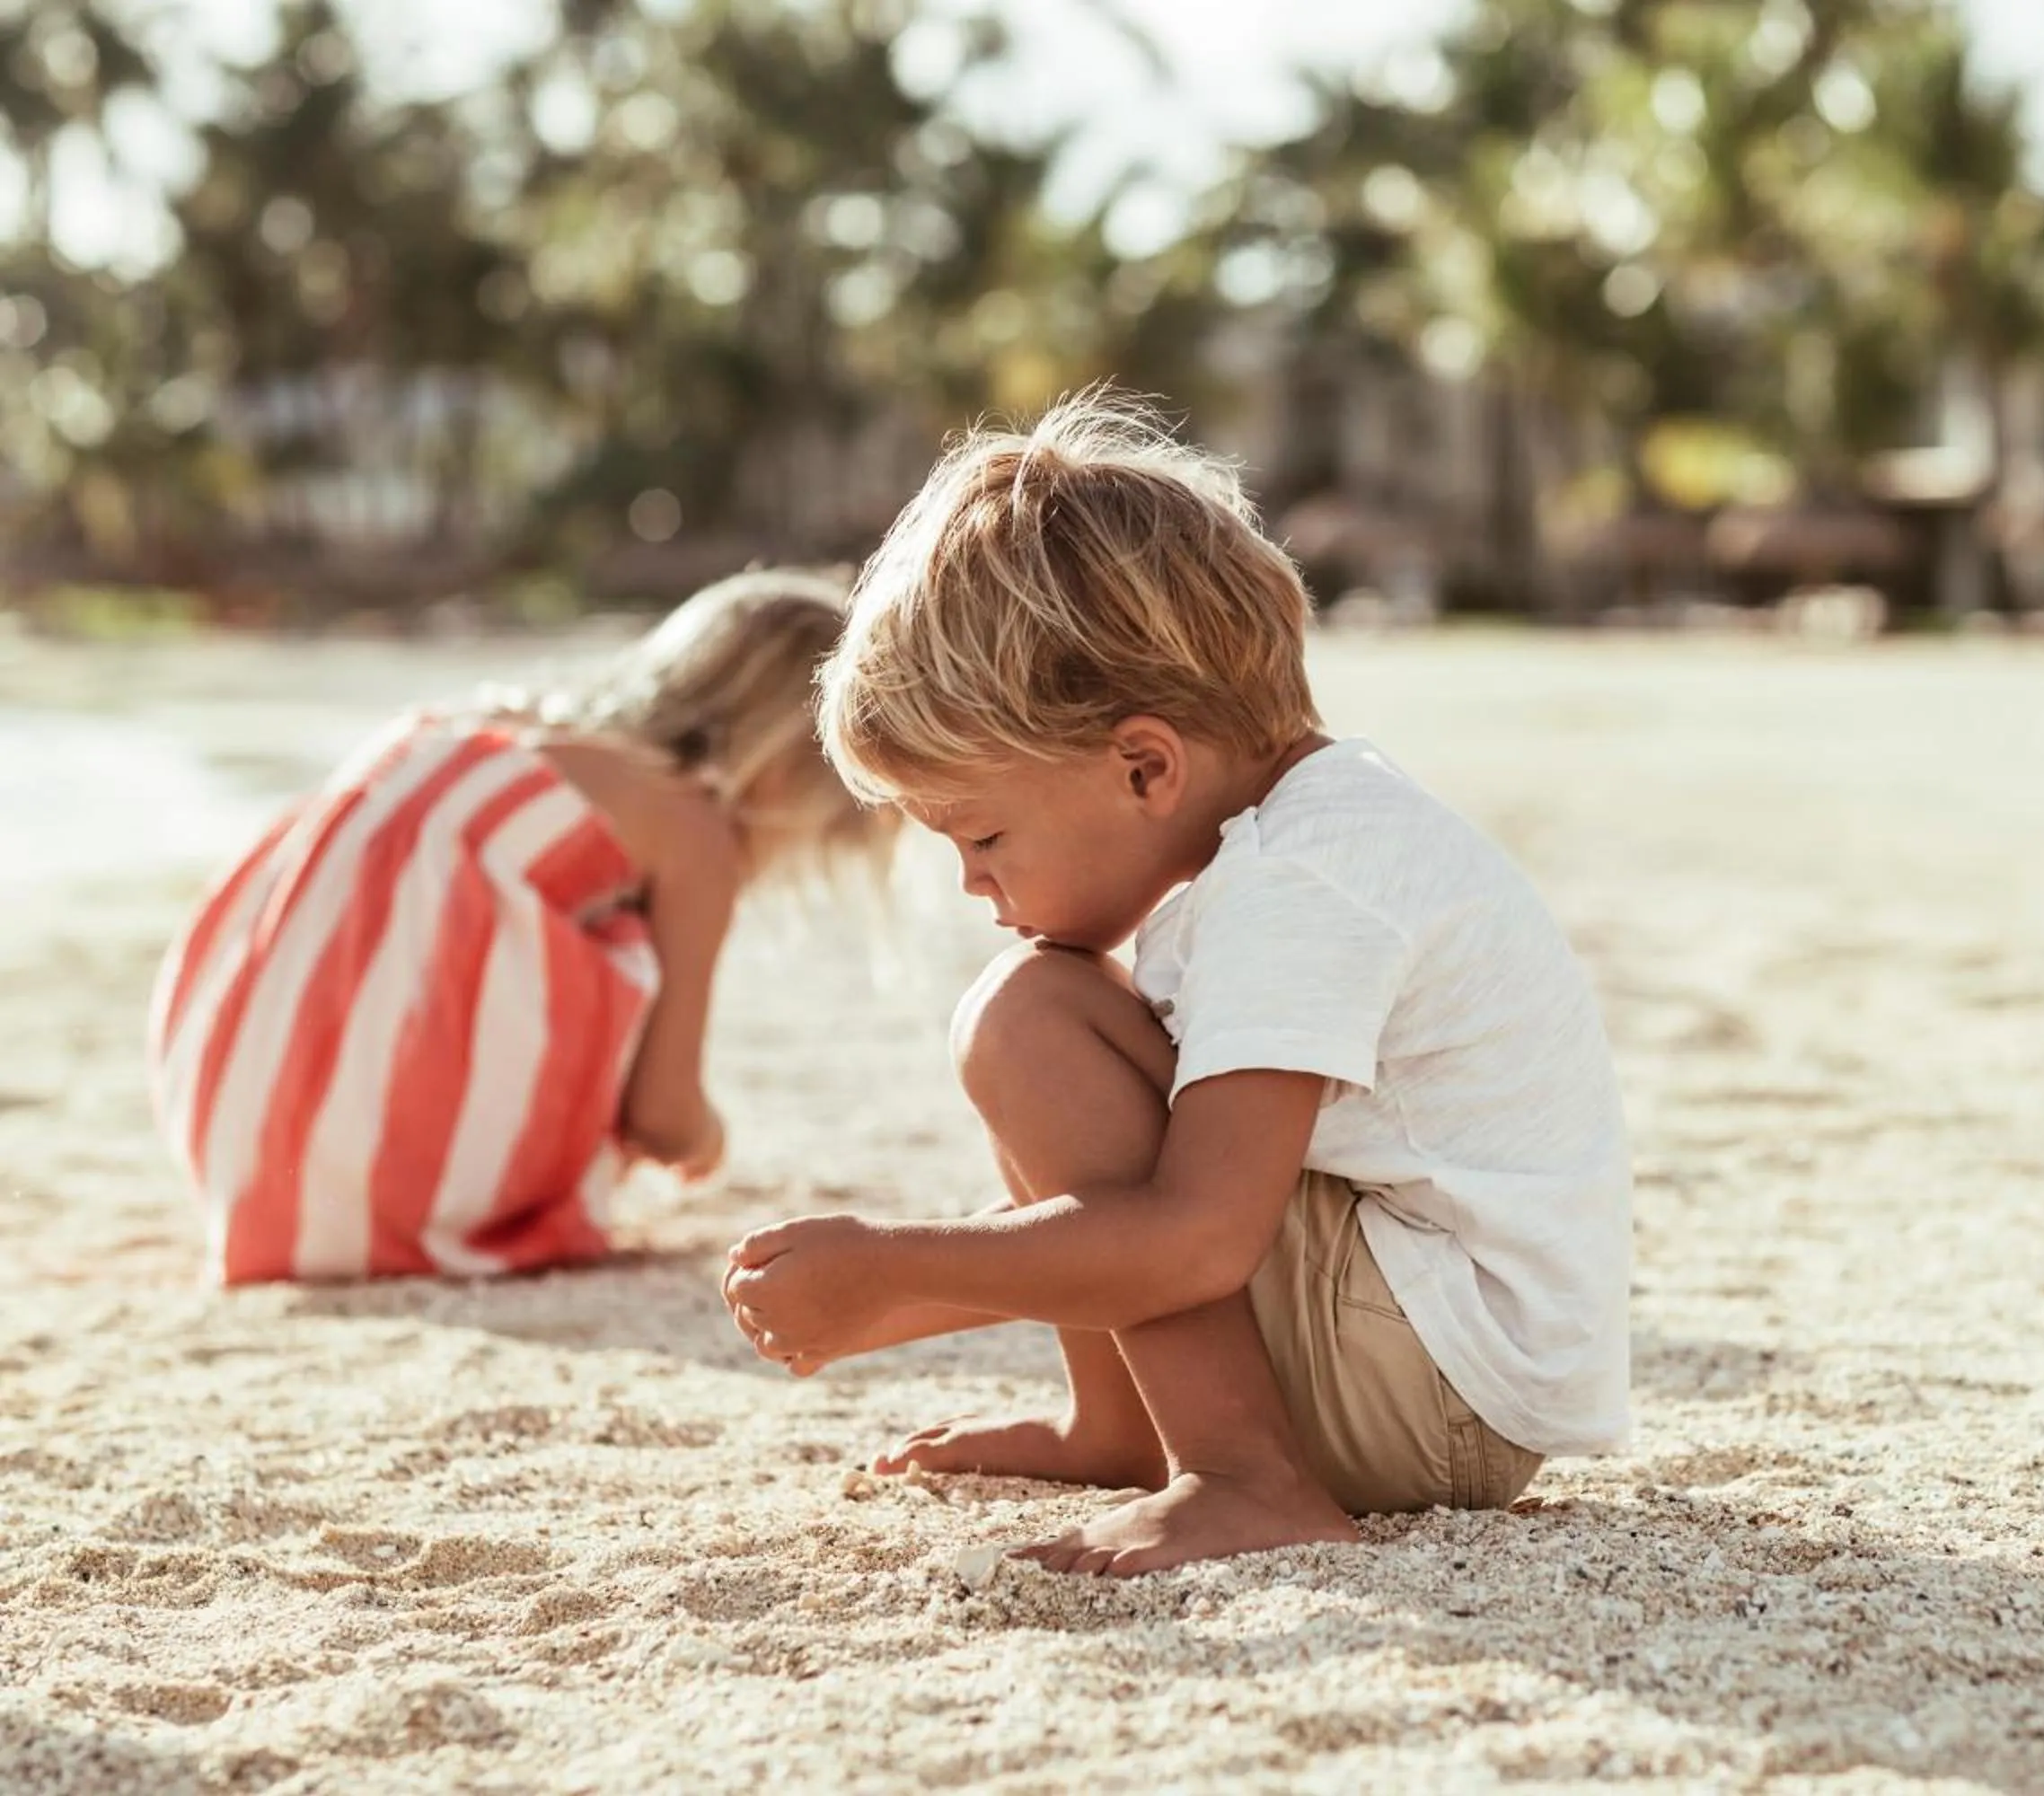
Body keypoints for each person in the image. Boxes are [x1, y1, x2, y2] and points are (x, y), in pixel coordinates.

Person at [721, 393, 1632, 1576]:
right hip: (1432, 1354)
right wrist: (889, 1293)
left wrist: (895, 1270)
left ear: (1144, 765)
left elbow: (1195, 1241)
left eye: (983, 838)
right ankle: (1122, 1428)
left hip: (1441, 1392)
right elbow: (1177, 1203)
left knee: (1033, 1020)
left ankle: (1246, 1477)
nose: (971, 884)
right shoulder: (1306, 836)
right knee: (1060, 1013)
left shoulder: (1299, 881)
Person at [151, 568, 895, 1285]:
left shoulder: (473, 726)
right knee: (625, 954)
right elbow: (663, 1117)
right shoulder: (689, 827)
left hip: (235, 1153)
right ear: (781, 779)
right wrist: (709, 1139)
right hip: (387, 1200)